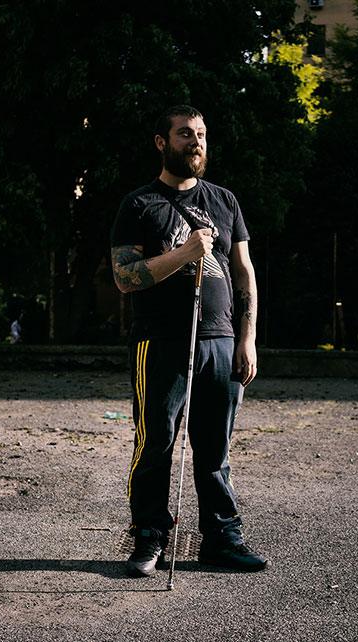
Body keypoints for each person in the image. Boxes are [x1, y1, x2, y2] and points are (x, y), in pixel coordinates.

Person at [110, 105, 266, 577]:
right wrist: (184, 253)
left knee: (214, 447)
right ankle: (149, 538)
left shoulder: (224, 200)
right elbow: (124, 277)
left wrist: (248, 338)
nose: (195, 143)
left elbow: (243, 271)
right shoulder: (138, 205)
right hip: (160, 342)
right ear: (162, 142)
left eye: (200, 134)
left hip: (220, 341)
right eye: (184, 135)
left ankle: (221, 539)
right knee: (155, 442)